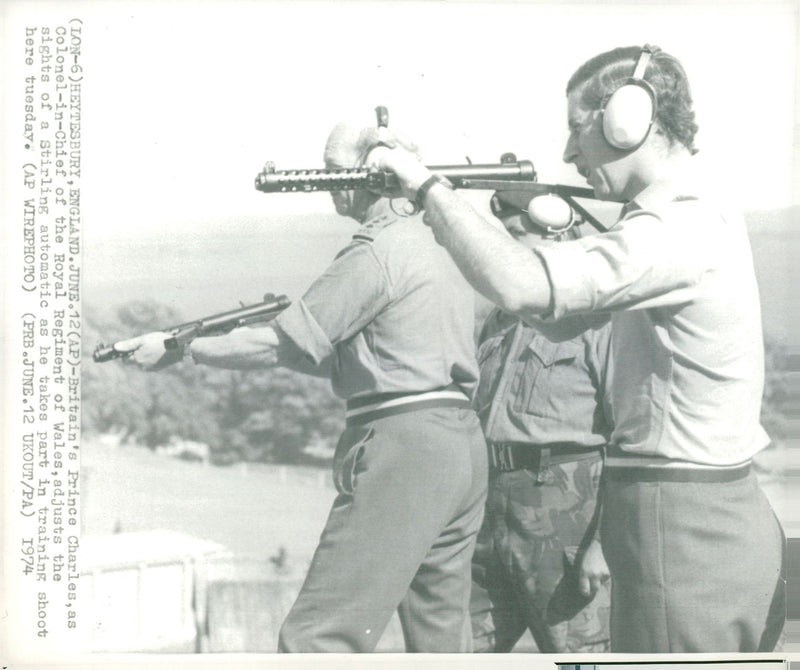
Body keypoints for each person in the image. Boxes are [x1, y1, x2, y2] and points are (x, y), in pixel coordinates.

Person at [370, 45, 785, 652]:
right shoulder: (693, 212)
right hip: (700, 516)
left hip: (681, 523)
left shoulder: (675, 225)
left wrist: (429, 189)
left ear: (628, 117)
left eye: (576, 127)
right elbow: (558, 317)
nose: (569, 152)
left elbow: (522, 285)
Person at [116, 116, 488, 652]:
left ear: (374, 172)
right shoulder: (439, 243)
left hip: (404, 449)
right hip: (457, 444)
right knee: (441, 637)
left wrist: (179, 348)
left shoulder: (377, 251)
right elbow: (357, 358)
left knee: (317, 639)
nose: (327, 183)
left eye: (336, 171)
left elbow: (284, 344)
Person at [469, 192, 612, 653]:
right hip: (489, 507)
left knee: (579, 654)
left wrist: (601, 545)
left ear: (558, 232)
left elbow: (633, 438)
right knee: (458, 651)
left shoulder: (600, 317)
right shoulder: (500, 317)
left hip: (565, 512)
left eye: (514, 237)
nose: (504, 253)